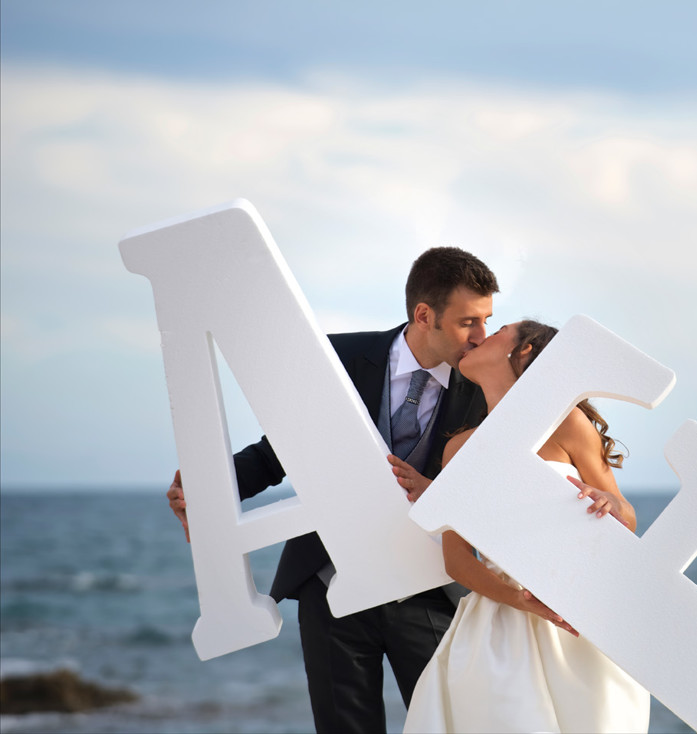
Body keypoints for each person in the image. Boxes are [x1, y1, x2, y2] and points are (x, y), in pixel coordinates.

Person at [166, 247, 499, 733]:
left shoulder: (486, 389)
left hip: (428, 589)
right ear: (424, 315)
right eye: (470, 321)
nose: (482, 336)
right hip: (330, 586)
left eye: (488, 320)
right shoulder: (337, 358)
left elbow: (489, 493)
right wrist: (208, 490)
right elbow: (277, 453)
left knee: (448, 725)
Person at [402, 320, 651, 734]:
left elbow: (626, 517)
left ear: (523, 351)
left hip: (577, 619)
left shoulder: (567, 423)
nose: (480, 335)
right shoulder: (459, 448)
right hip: (499, 626)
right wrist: (520, 599)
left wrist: (609, 503)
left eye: (497, 329)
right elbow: (457, 559)